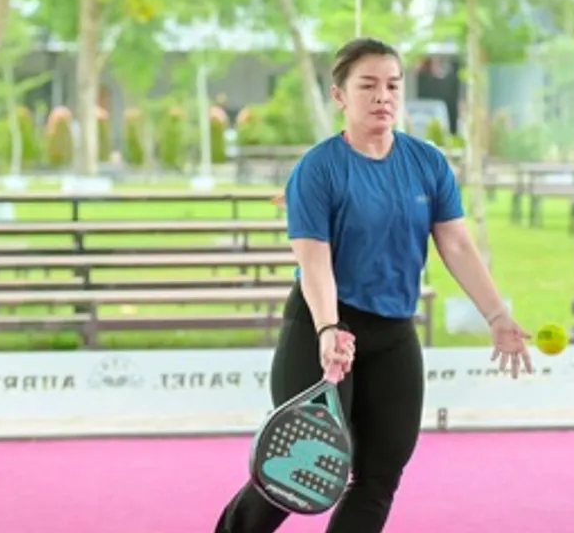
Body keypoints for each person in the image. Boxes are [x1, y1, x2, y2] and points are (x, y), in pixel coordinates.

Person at [213, 37, 532, 533]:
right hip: (322, 324)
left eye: (393, 85)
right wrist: (328, 330)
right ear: (339, 94)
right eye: (368, 85)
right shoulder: (318, 169)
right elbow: (314, 262)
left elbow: (456, 244)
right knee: (291, 476)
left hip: (393, 332)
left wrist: (496, 314)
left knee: (379, 478)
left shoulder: (427, 164)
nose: (383, 96)